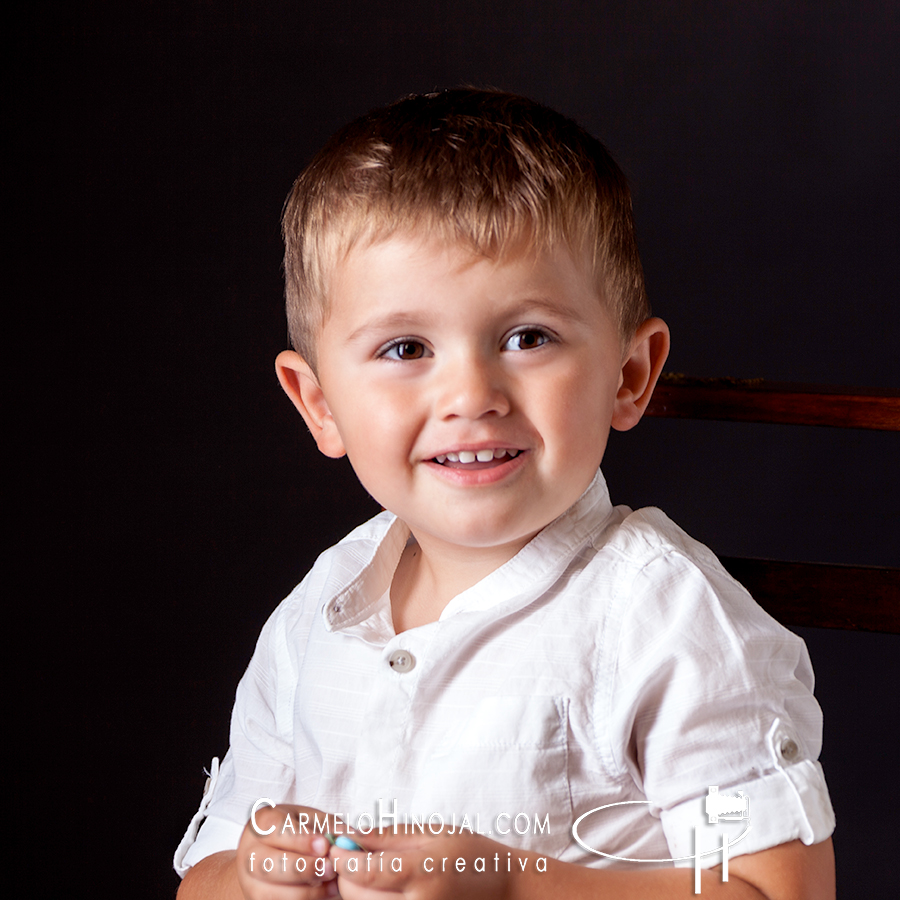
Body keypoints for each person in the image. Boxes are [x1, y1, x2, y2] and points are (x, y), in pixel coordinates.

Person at [175, 89, 835, 899]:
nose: (472, 393)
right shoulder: (318, 611)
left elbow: (774, 889)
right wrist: (251, 879)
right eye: (405, 347)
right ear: (319, 403)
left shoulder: (665, 619)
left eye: (528, 338)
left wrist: (509, 885)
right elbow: (202, 880)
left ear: (629, 376)